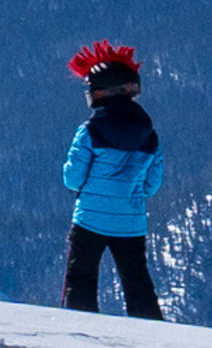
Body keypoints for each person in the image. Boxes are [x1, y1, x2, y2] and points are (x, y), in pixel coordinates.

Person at [59, 40, 166, 320]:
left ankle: (79, 332)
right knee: (137, 283)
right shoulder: (149, 135)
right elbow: (151, 186)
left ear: (102, 92)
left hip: (90, 220)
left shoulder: (90, 131)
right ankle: (154, 337)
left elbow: (72, 178)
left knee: (81, 280)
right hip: (131, 223)